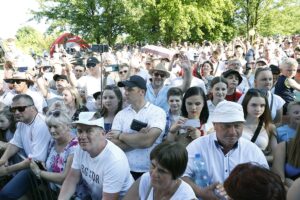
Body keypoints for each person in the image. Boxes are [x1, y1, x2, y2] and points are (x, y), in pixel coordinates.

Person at [182, 101, 268, 199]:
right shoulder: (197, 146)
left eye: (237, 126)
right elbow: (181, 175)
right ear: (214, 125)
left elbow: (266, 183)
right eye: (226, 126)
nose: (232, 132)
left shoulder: (253, 151)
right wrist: (201, 192)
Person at [58, 112, 134, 200]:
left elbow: (109, 198)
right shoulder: (80, 148)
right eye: (80, 131)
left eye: (89, 131)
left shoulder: (115, 160)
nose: (82, 136)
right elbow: (72, 178)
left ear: (103, 133)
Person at [107, 75, 166, 180]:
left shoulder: (157, 112)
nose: (126, 92)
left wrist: (121, 135)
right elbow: (113, 144)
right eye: (125, 89)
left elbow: (147, 141)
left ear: (142, 92)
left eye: (130, 89)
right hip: (124, 170)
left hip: (150, 171)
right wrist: (140, 139)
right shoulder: (120, 114)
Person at [0, 94, 51, 199]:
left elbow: (36, 160)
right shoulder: (21, 123)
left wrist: (7, 170)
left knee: (6, 194)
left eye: (21, 108)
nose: (17, 112)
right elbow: (15, 144)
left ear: (32, 108)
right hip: (31, 166)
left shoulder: (41, 124)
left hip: (42, 169)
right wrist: (2, 159)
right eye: (13, 109)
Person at [27, 107, 79, 197]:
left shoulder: (75, 146)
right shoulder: (52, 141)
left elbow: (64, 178)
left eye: (55, 126)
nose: (52, 130)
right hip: (53, 193)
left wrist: (39, 172)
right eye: (49, 126)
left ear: (67, 126)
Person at [124, 142, 196, 200]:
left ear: (176, 174)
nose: (153, 174)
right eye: (153, 165)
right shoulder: (146, 179)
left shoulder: (186, 196)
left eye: (162, 171)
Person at [241, 88, 277, 154]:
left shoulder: (269, 126)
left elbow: (275, 155)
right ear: (246, 104)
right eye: (254, 105)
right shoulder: (235, 125)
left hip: (260, 163)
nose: (258, 109)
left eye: (262, 105)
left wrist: (258, 159)